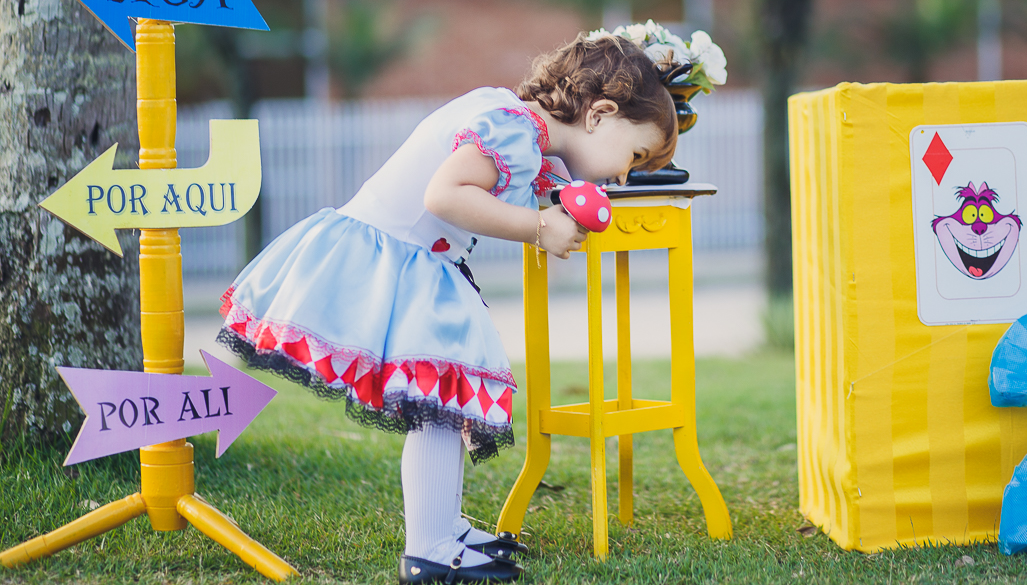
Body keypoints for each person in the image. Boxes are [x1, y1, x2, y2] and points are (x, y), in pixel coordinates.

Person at [215, 32, 679, 583]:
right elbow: (447, 195)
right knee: (439, 402)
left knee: (444, 402)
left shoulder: (513, 120)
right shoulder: (513, 131)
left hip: (412, 262)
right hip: (397, 260)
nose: (626, 174)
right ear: (600, 113)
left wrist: (556, 204)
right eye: (635, 155)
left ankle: (443, 526)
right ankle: (431, 548)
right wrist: (537, 228)